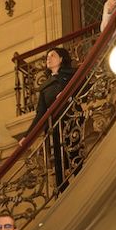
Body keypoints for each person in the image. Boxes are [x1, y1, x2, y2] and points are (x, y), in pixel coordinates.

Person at [34, 49, 80, 190]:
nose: (49, 58)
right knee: (58, 159)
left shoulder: (72, 74)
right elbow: (40, 113)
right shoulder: (45, 86)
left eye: (52, 55)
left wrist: (69, 95)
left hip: (71, 119)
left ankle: (79, 177)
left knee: (74, 152)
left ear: (61, 59)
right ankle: (61, 187)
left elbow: (84, 85)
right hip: (54, 125)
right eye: (47, 56)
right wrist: (26, 136)